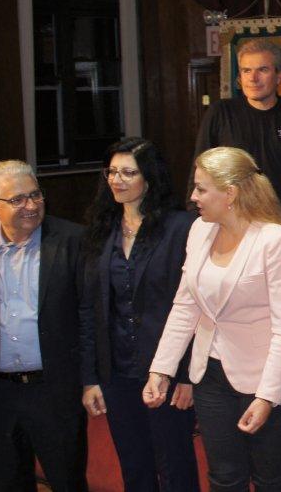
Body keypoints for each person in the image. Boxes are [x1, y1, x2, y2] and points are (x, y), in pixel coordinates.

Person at [144, 147, 281, 492]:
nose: (193, 196)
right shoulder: (199, 230)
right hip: (211, 375)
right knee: (223, 478)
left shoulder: (277, 241)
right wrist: (161, 370)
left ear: (230, 193)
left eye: (201, 189)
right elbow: (185, 306)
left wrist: (266, 397)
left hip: (266, 379)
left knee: (271, 480)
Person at [0, 160, 91, 492]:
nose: (32, 205)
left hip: (54, 390)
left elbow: (88, 317)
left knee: (68, 481)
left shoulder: (73, 240)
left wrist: (90, 379)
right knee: (8, 483)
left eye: (35, 194)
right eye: (18, 199)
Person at [80, 138, 200, 492]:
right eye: (112, 172)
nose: (116, 180)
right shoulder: (102, 230)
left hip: (167, 371)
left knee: (176, 468)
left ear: (149, 179)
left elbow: (196, 307)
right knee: (134, 467)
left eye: (128, 173)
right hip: (117, 371)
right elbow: (89, 309)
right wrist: (90, 378)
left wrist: (187, 376)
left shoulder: (182, 227)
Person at [194, 38, 281, 231]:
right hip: (230, 222)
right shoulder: (220, 113)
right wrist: (197, 220)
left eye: (262, 70)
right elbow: (199, 169)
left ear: (279, 75)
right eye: (246, 70)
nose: (253, 78)